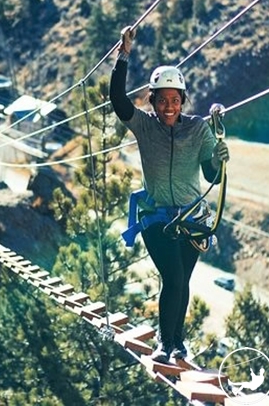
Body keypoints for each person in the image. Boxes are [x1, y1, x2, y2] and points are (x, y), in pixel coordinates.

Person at [109, 26, 229, 364]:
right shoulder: (145, 126)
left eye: (175, 100)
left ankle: (177, 344)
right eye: (162, 101)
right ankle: (165, 344)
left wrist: (218, 162)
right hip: (157, 217)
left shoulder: (198, 129)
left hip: (192, 220)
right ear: (153, 101)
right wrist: (124, 53)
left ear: (183, 101)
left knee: (182, 281)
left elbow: (210, 176)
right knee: (173, 277)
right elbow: (117, 100)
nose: (169, 107)